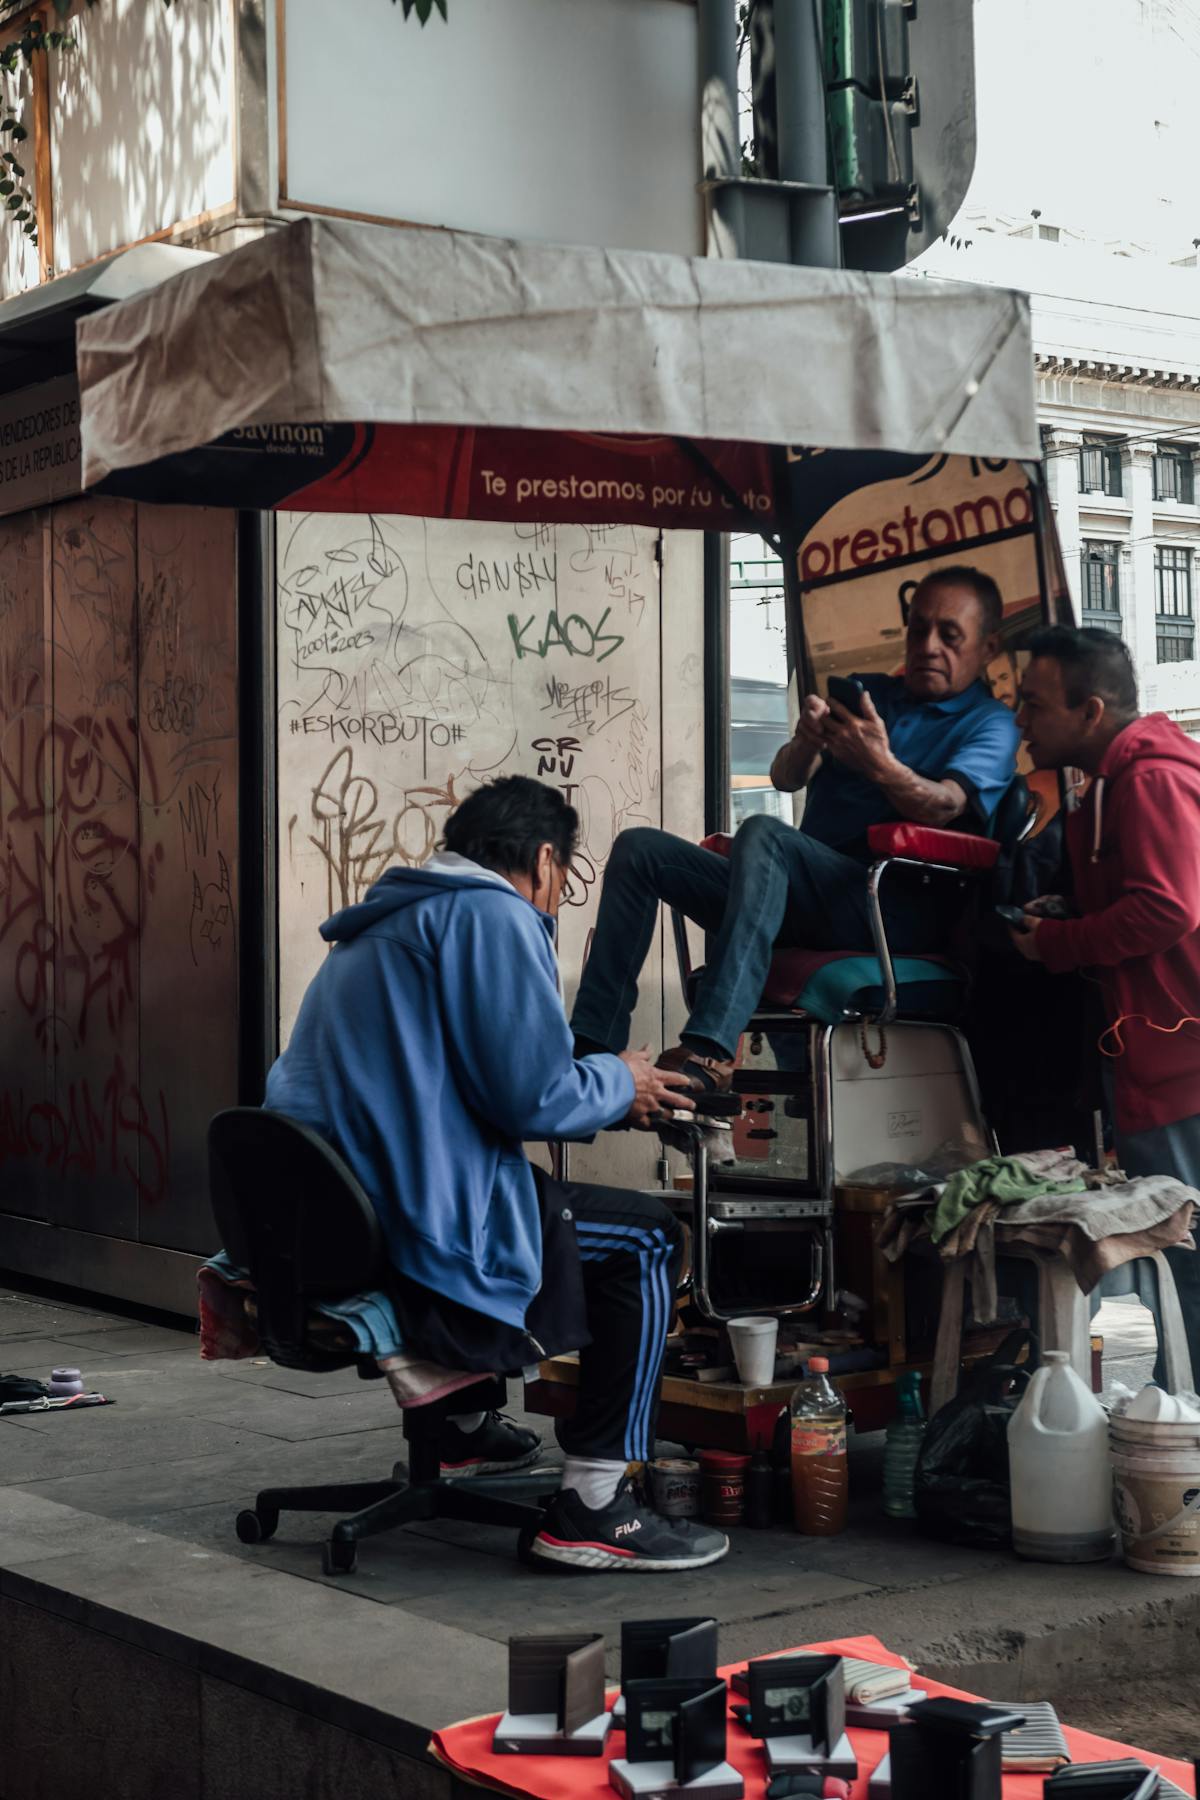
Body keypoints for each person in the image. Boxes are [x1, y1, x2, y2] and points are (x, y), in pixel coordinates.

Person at [264, 775, 728, 1574]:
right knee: (650, 1237)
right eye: (559, 883)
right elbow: (530, 1098)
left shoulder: (384, 922)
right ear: (545, 861)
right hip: (413, 1218)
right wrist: (625, 1078)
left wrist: (607, 1088)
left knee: (544, 1204)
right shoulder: (491, 913)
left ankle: (461, 1433)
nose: (553, 902)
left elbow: (457, 1083)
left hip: (328, 1215)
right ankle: (593, 1504)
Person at [571, 565, 1020, 1104]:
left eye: (949, 635)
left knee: (764, 832)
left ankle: (712, 1048)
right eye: (918, 628)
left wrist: (879, 764)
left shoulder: (991, 723)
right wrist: (808, 739)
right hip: (798, 895)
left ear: (988, 645)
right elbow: (785, 776)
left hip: (886, 908)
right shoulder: (870, 695)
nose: (927, 646)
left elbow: (945, 805)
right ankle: (594, 1053)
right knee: (639, 849)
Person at [1011, 625, 1200, 1385]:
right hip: (1155, 1057)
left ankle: (1182, 1444)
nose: (1020, 718)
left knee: (1188, 1257)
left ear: (1089, 711)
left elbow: (1168, 909)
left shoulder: (1149, 779)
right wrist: (1067, 909)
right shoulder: (1104, 785)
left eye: (1033, 703)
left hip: (1180, 1058)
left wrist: (1059, 944)